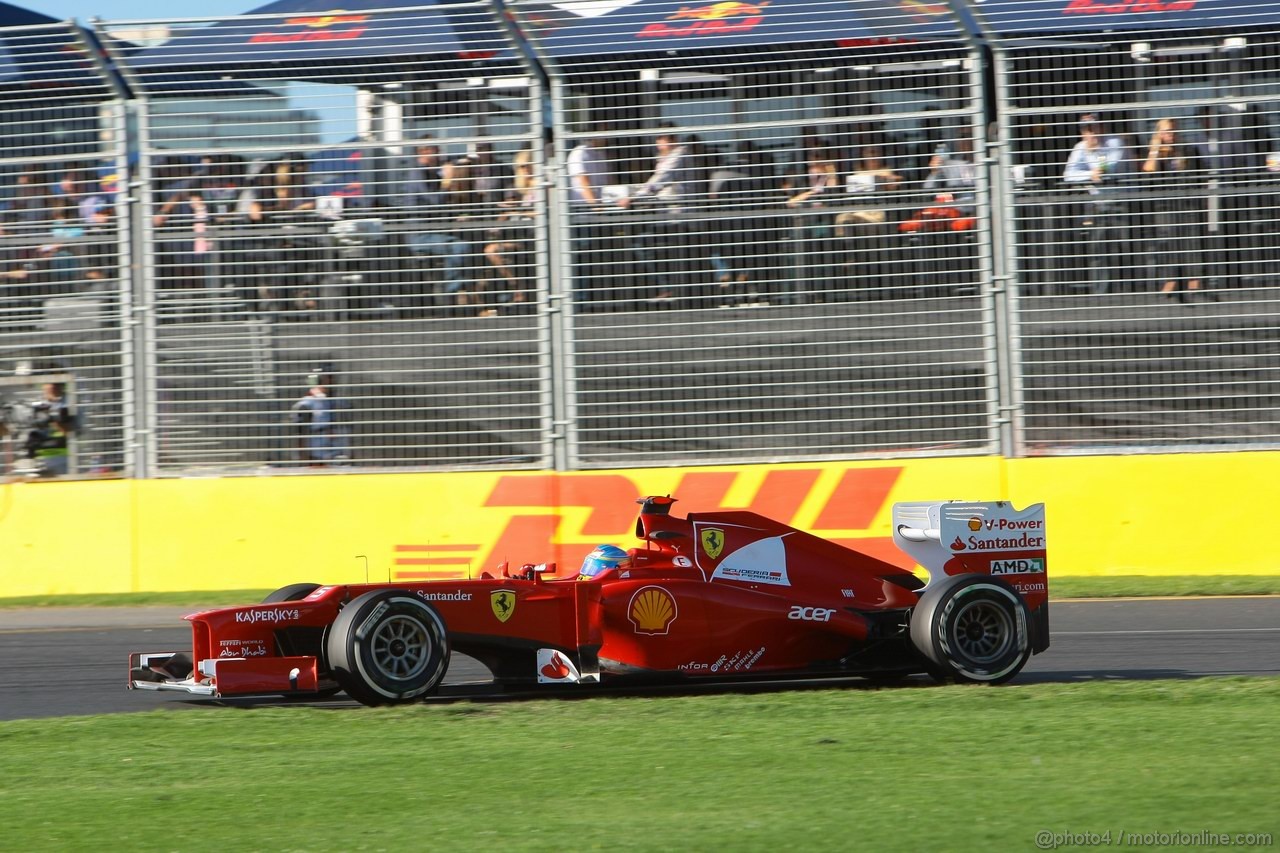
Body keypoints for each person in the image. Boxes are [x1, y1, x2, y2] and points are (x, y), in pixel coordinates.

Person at [1142, 117, 1211, 302]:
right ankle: (1170, 278)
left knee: (1192, 238)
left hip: (1187, 202)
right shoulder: (1157, 153)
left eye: (1171, 131)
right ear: (1158, 134)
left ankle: (1194, 279)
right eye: (1164, 131)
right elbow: (1148, 171)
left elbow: (1201, 174)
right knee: (1167, 239)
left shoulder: (1187, 149)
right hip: (1165, 204)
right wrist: (1155, 149)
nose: (1169, 135)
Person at [1062, 114, 1130, 294]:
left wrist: (1096, 153)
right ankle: (1101, 292)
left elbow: (1110, 167)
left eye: (1094, 128)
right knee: (1098, 247)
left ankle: (1125, 290)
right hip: (1098, 205)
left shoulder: (1115, 142)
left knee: (1122, 245)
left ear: (1101, 127)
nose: (1091, 133)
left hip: (1120, 202)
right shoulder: (1080, 148)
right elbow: (1068, 174)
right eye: (1087, 130)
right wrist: (1089, 175)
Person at [2, 381, 78, 477]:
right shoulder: (35, 404)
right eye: (48, 384)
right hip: (38, 459)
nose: (51, 387)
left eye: (55, 384)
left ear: (62, 385)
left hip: (63, 460)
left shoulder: (69, 404)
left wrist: (53, 419)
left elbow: (73, 434)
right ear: (43, 386)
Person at [289, 374, 349, 466]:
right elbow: (300, 432)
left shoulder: (332, 402)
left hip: (333, 447)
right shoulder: (305, 404)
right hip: (316, 448)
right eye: (323, 384)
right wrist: (303, 455)